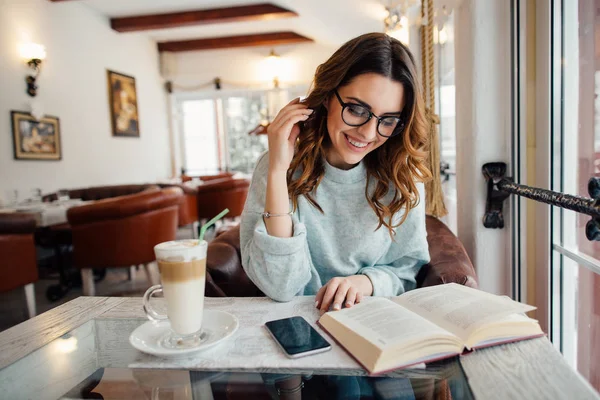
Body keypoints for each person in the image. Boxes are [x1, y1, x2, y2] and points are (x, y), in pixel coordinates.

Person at [240, 32, 432, 314]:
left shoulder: (404, 176)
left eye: (388, 120)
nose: (367, 133)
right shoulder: (278, 166)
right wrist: (278, 171)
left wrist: (363, 283)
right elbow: (280, 286)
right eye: (356, 109)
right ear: (328, 96)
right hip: (293, 323)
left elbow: (406, 270)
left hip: (372, 319)